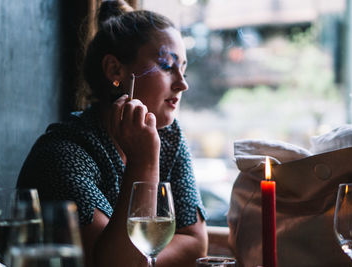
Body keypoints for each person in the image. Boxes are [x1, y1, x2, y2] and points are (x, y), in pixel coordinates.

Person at [17, 1, 208, 266]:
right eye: (166, 66)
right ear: (115, 71)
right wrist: (145, 162)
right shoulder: (63, 154)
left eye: (183, 68)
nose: (182, 83)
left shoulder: (169, 136)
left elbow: (195, 242)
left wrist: (143, 258)